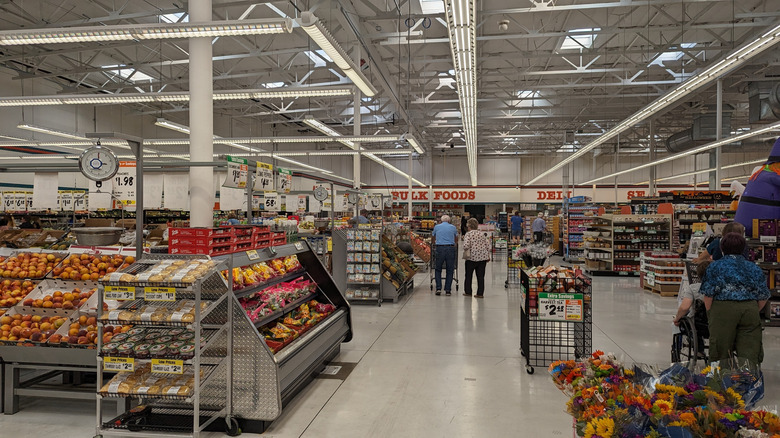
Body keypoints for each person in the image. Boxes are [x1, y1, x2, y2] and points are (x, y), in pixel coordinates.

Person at [699, 233, 770, 365]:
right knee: (750, 350)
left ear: (722, 248)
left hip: (722, 309)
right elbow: (763, 295)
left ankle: (719, 381)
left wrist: (711, 313)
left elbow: (708, 294)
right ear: (744, 248)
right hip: (749, 309)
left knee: (720, 349)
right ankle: (749, 381)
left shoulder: (714, 267)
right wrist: (752, 308)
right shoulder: (754, 268)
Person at [673, 261, 711, 356]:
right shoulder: (722, 289)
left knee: (685, 320)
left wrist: (677, 319)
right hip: (718, 323)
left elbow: (684, 307)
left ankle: (697, 349)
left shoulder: (694, 288)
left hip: (699, 325)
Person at [462, 218, 491, 298]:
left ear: (469, 226)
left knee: (468, 275)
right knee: (480, 276)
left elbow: (466, 246)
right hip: (482, 258)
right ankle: (480, 293)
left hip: (471, 257)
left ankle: (468, 291)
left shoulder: (468, 234)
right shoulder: (482, 234)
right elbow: (488, 246)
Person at [432, 214, 459, 296]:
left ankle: (438, 288)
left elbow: (433, 237)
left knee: (438, 269)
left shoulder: (437, 227)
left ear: (441, 220)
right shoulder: (453, 227)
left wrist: (434, 244)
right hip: (450, 249)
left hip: (439, 248)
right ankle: (448, 290)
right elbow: (456, 239)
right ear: (449, 220)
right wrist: (453, 244)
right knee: (450, 269)